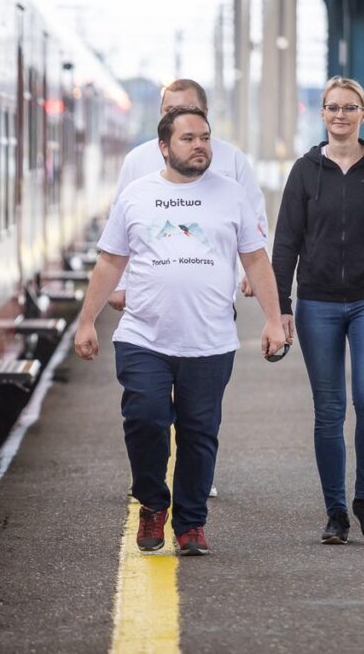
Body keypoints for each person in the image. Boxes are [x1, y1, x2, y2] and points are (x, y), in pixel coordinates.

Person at [74, 106, 287, 556]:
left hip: (210, 340)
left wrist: (273, 318)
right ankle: (153, 501)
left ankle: (191, 524)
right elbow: (111, 260)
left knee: (199, 432)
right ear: (164, 147)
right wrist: (87, 321)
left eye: (205, 137)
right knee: (145, 419)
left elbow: (255, 260)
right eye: (189, 138)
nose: (200, 146)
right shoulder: (137, 194)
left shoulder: (231, 195)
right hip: (143, 336)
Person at [271, 76, 364, 545]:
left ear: (363, 113)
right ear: (322, 114)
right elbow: (286, 243)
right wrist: (281, 308)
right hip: (317, 301)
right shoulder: (304, 170)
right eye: (332, 107)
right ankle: (336, 511)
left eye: (349, 107)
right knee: (329, 409)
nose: (340, 115)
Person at [110, 78, 268, 499]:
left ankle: (194, 487)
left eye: (187, 111)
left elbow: (254, 227)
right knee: (148, 411)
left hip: (210, 305)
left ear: (205, 115)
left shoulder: (231, 163)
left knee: (199, 415)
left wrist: (249, 281)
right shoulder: (136, 163)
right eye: (169, 111)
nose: (176, 116)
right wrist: (119, 286)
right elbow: (117, 234)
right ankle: (153, 487)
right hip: (147, 311)